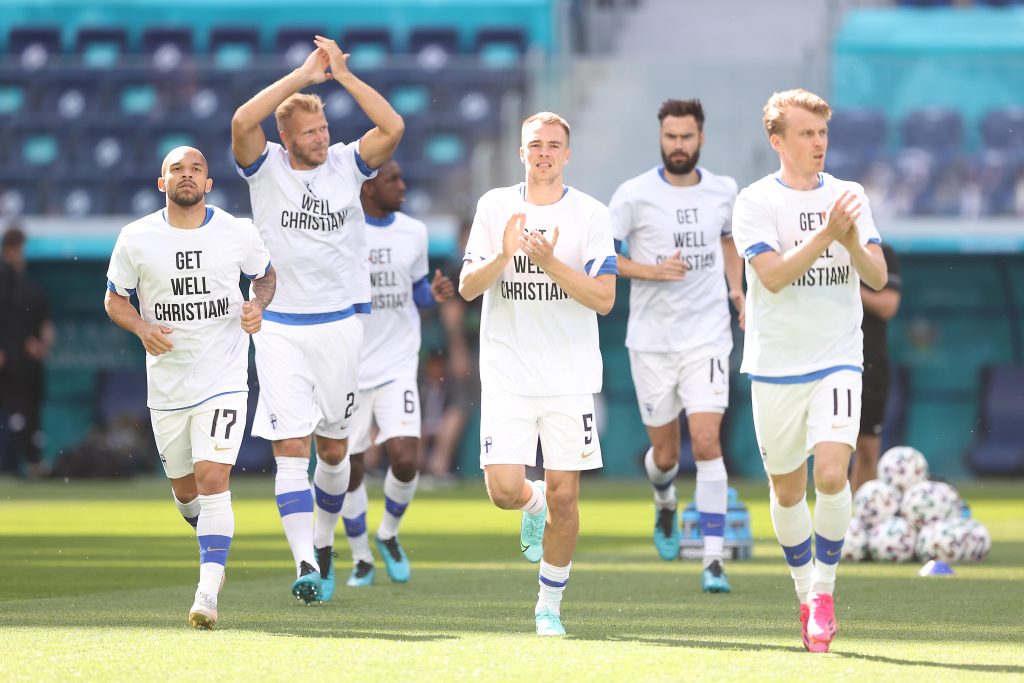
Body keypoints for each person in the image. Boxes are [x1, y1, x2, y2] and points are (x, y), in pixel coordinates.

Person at [231, 35, 404, 603]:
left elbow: (393, 128)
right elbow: (241, 118)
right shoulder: (264, 168)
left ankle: (324, 542)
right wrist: (302, 77)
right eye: (310, 132)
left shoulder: (347, 163)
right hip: (280, 326)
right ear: (287, 138)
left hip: (341, 324)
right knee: (291, 447)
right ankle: (305, 561)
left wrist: (344, 78)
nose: (321, 139)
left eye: (324, 130)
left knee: (334, 451)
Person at [731, 89, 887, 653]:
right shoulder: (754, 202)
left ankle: (824, 591)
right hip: (774, 364)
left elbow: (875, 274)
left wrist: (850, 238)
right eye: (805, 133)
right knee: (787, 490)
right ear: (778, 141)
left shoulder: (850, 195)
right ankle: (802, 592)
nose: (818, 142)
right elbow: (771, 276)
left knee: (830, 475)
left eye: (822, 133)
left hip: (838, 359)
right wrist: (827, 236)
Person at [459, 112, 618, 636]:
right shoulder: (494, 207)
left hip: (569, 378)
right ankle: (531, 504)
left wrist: (549, 262)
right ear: (521, 152)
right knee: (504, 490)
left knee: (567, 497)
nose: (544, 153)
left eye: (554, 145)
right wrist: (504, 253)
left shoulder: (592, 214)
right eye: (535, 145)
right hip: (506, 372)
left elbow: (604, 298)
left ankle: (548, 605)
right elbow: (466, 288)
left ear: (567, 154)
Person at [103, 147, 275, 629]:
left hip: (223, 379)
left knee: (213, 477)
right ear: (162, 183)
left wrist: (256, 306)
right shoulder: (135, 238)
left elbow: (264, 277)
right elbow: (115, 297)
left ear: (209, 183)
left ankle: (207, 593)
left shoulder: (237, 231)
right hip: (168, 388)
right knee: (185, 491)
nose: (186, 175)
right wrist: (141, 328)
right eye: (176, 169)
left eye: (196, 168)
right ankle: (213, 542)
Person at [608, 99, 743, 592]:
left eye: (686, 137)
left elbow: (729, 242)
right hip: (651, 341)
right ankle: (664, 500)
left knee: (706, 442)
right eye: (671, 137)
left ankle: (712, 559)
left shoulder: (725, 191)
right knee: (665, 455)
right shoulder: (633, 195)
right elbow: (601, 258)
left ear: (701, 139)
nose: (678, 145)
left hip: (707, 336)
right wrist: (651, 270)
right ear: (660, 137)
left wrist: (738, 292)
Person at [339, 159, 454, 587]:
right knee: (347, 468)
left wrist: (433, 293)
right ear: (368, 188)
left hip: (398, 364)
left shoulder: (414, 232)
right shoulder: (343, 230)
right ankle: (360, 557)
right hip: (349, 366)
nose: (403, 186)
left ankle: (387, 533)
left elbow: (417, 288)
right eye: (393, 179)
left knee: (405, 457)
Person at [0, 227, 54, 479]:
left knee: (29, 412)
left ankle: (31, 463)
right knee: (17, 413)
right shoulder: (3, 279)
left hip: (28, 364)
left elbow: (42, 318)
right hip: (10, 361)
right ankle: (19, 462)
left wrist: (42, 340)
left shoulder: (28, 284)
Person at [850, 242, 901, 493]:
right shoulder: (814, 249)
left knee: (868, 450)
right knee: (827, 449)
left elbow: (888, 305)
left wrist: (847, 287)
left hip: (869, 364)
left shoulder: (881, 252)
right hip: (824, 361)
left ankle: (861, 523)